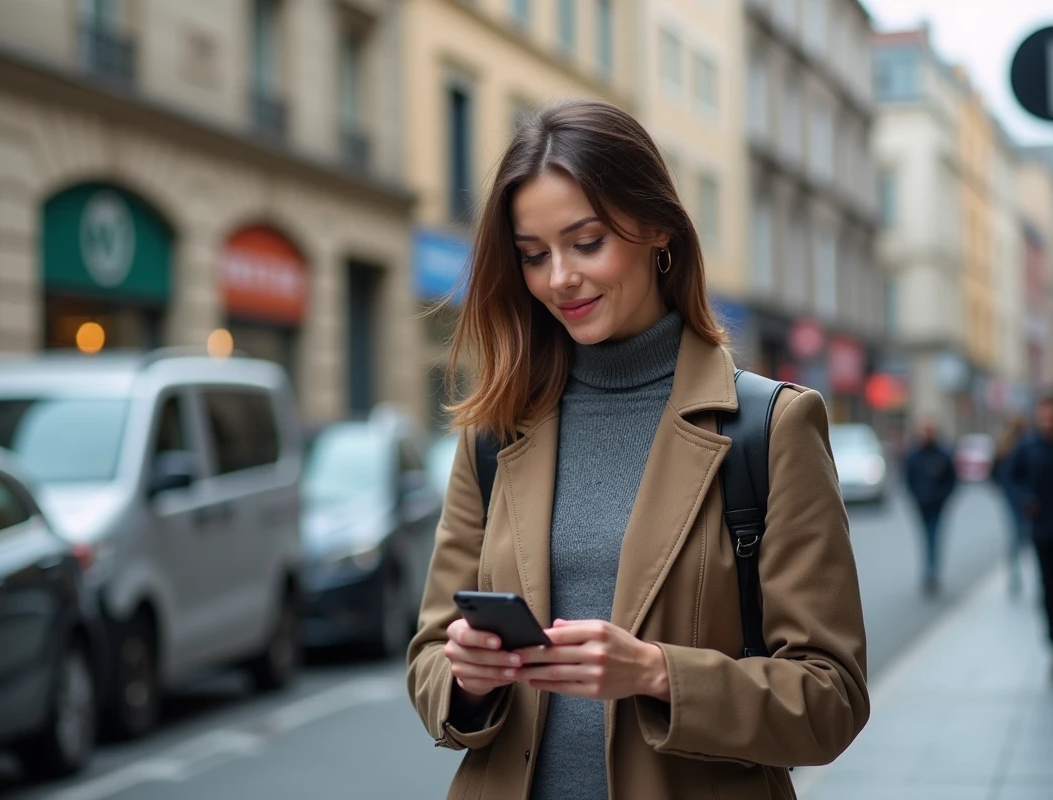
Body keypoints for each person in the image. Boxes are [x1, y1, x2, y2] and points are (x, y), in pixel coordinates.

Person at [406, 100, 869, 800]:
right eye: (533, 255)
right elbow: (430, 657)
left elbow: (831, 699)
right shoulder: (495, 433)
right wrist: (466, 678)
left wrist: (656, 673)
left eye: (586, 242)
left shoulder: (770, 427)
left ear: (657, 230)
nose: (558, 277)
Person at [1012, 393, 1053, 647]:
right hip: (1043, 530)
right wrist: (1025, 499)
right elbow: (1011, 477)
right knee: (1048, 587)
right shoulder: (1027, 447)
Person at [903, 421, 958, 598]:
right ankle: (929, 571)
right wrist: (915, 496)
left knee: (933, 537)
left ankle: (931, 572)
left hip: (937, 504)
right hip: (922, 504)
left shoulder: (942, 454)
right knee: (926, 537)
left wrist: (943, 497)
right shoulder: (914, 455)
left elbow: (952, 479)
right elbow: (908, 478)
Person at [993, 414, 1032, 596]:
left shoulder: (1006, 444)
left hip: (1013, 496)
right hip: (1020, 496)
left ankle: (1015, 574)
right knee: (1021, 534)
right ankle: (1016, 574)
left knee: (1017, 535)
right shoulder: (1021, 445)